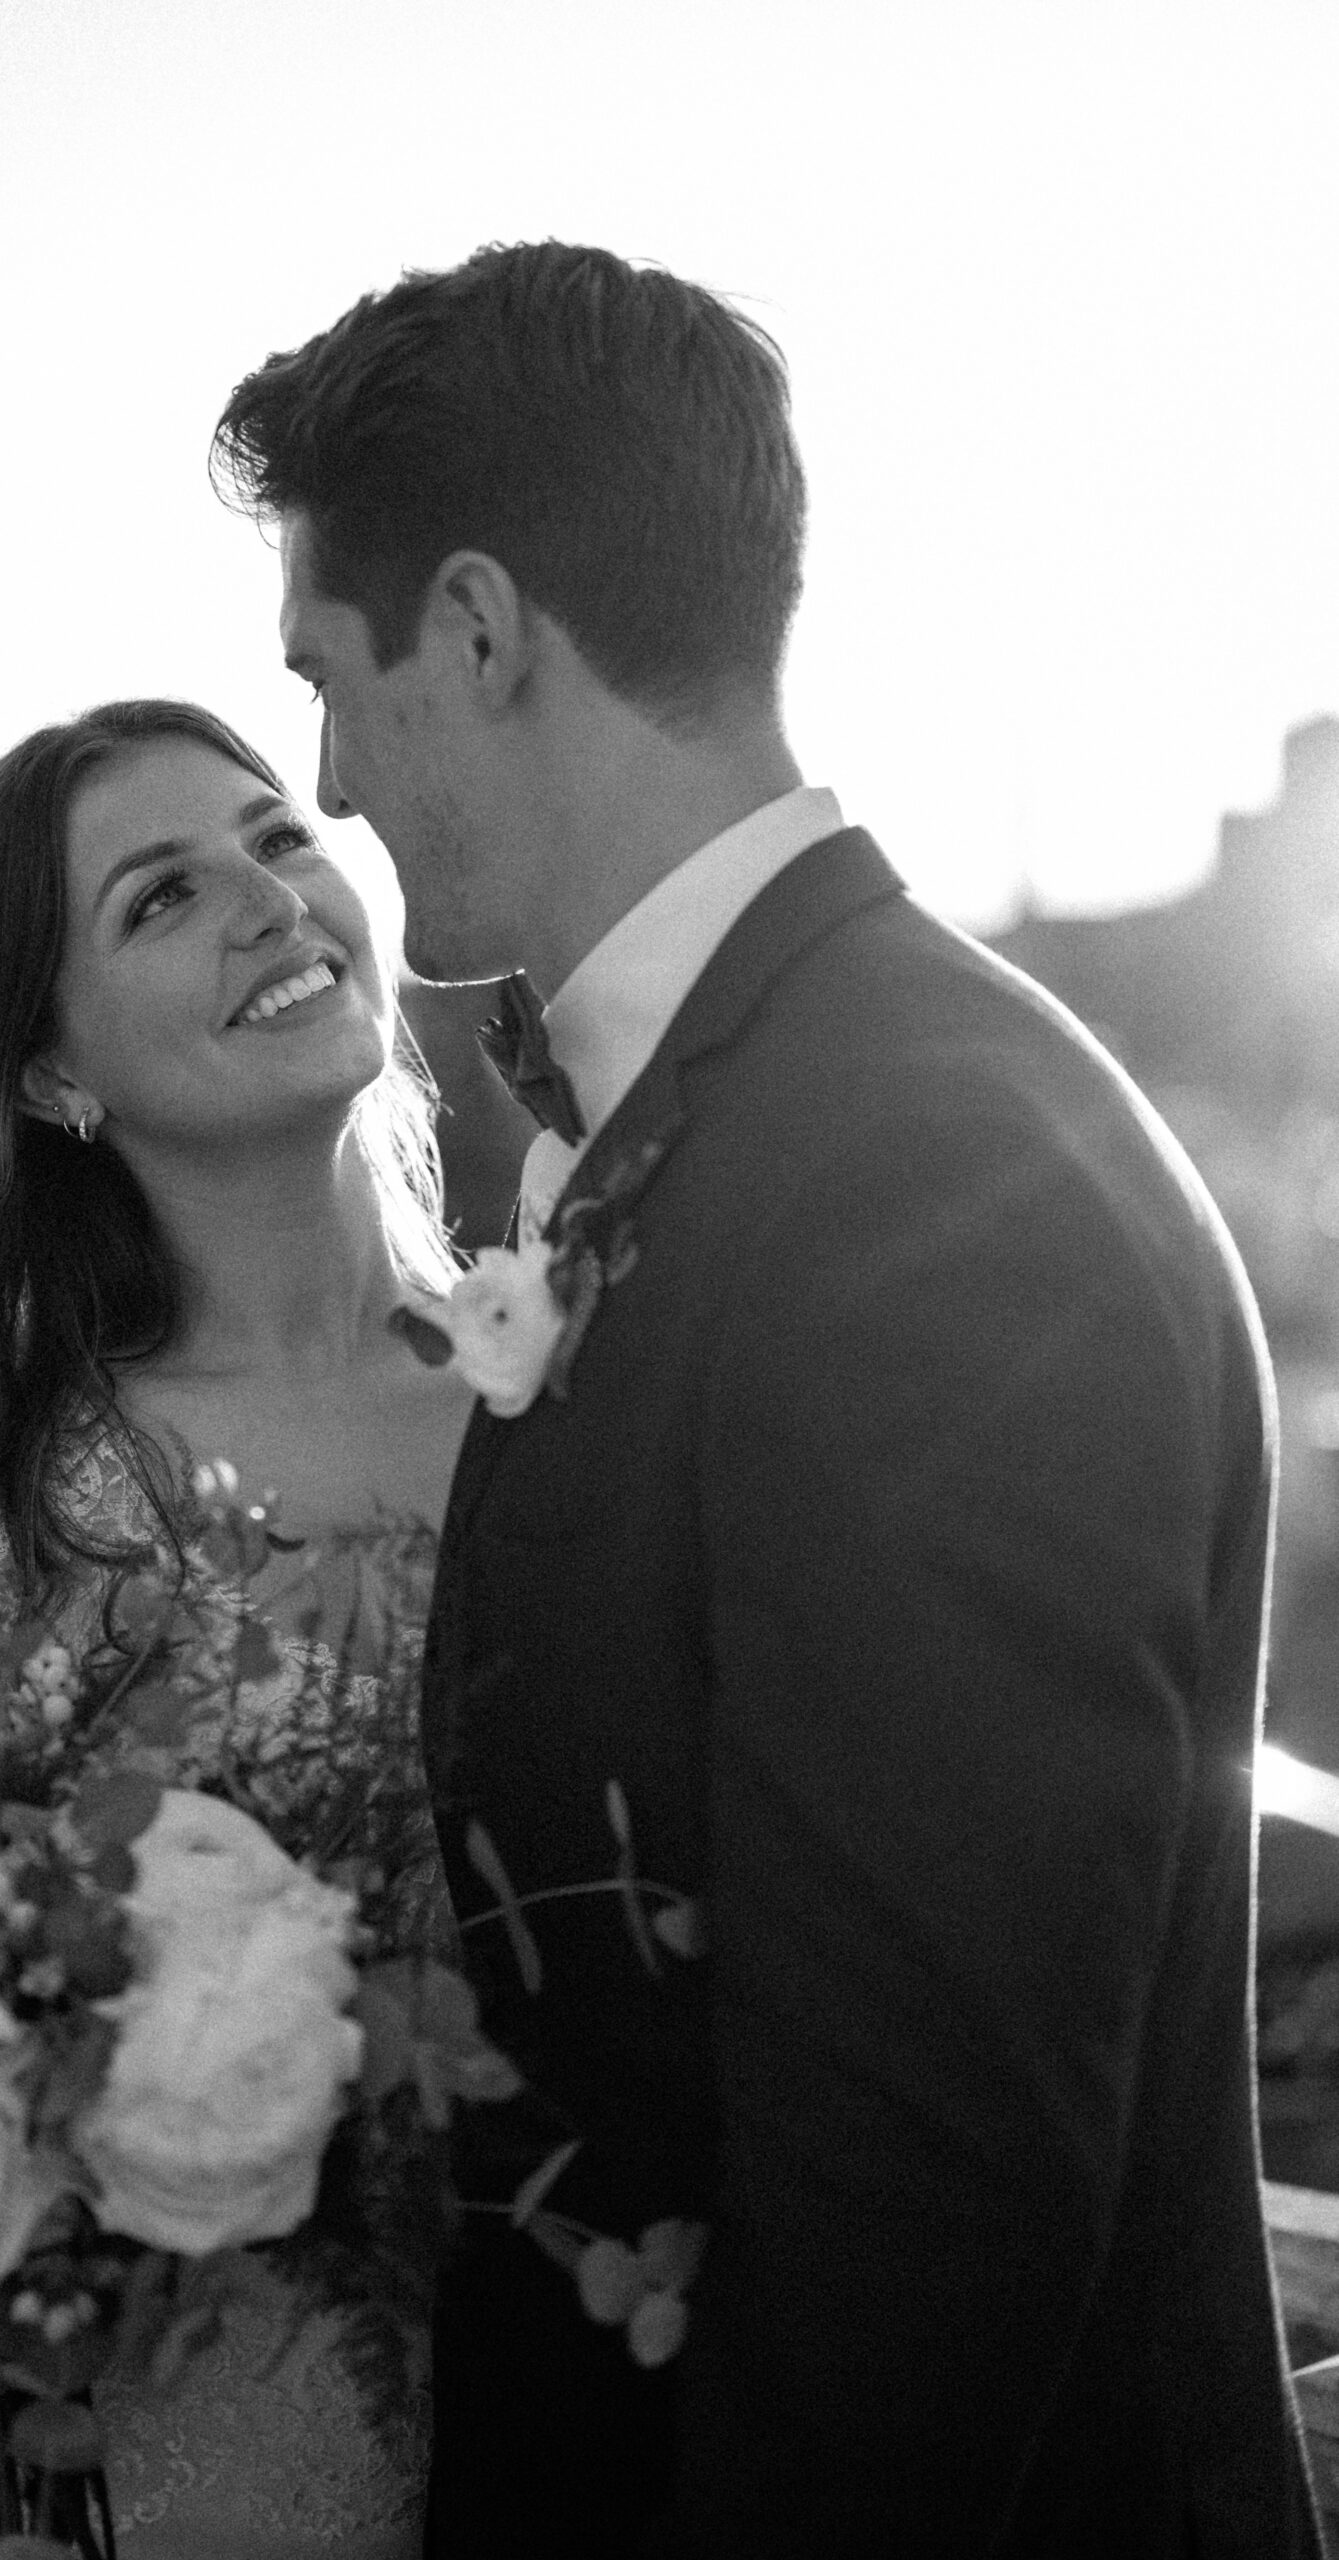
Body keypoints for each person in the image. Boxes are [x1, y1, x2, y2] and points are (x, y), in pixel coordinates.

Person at [213, 242, 1325, 2556]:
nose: (326, 773)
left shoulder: (924, 1182)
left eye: (332, 673)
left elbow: (925, 2190)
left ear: (487, 629)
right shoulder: (786, 1106)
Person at [0, 698, 477, 2560]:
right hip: (28, 2483)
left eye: (277, 837)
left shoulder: (574, 1397)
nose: (266, 897)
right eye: (163, 897)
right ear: (51, 1074)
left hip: (516, 2418)